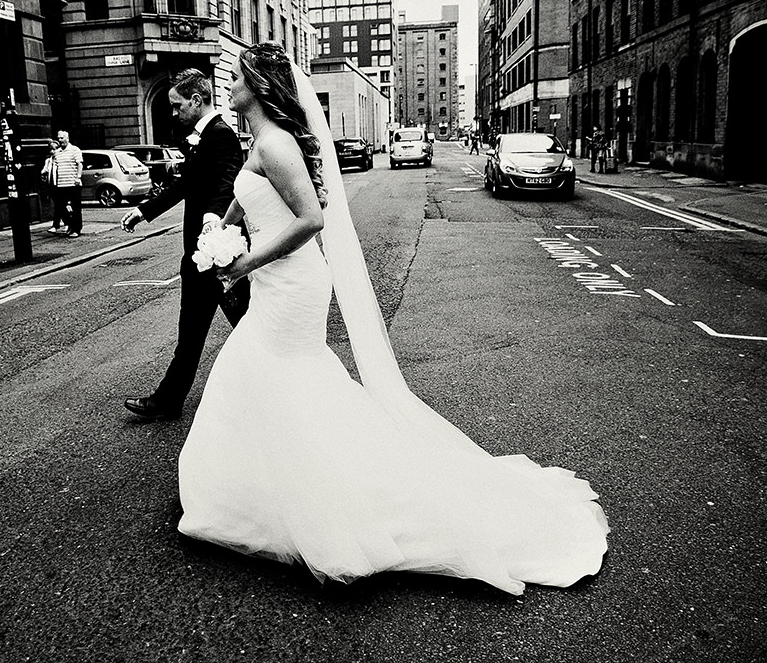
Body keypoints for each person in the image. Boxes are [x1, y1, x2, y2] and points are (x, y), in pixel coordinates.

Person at [174, 43, 609, 595]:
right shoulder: (261, 141)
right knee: (270, 376)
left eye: (234, 78)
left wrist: (242, 263)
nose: (227, 87)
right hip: (277, 282)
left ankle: (324, 499)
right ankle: (255, 490)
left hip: (291, 283)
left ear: (258, 86)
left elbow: (309, 218)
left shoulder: (278, 143)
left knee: (276, 373)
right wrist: (223, 226)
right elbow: (253, 198)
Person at [121, 68, 251, 420]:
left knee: (251, 326)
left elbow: (229, 181)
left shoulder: (220, 135)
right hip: (199, 256)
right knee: (192, 334)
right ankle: (168, 401)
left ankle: (281, 389)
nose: (174, 113)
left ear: (196, 100)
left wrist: (213, 220)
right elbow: (183, 186)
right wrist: (142, 210)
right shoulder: (200, 137)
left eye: (177, 106)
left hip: (220, 252)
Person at [52, 130, 83, 236]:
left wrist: (78, 177)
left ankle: (76, 229)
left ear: (67, 138)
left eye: (62, 138)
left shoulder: (75, 150)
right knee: (61, 206)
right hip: (61, 184)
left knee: (75, 208)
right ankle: (69, 225)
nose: (60, 140)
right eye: (59, 138)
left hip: (73, 183)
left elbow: (80, 164)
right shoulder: (57, 152)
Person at [41, 139, 64, 234]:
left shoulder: (62, 160)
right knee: (58, 205)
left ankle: (57, 225)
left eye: (54, 149)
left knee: (61, 205)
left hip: (61, 184)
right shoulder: (49, 161)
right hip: (52, 185)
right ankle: (61, 224)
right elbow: (44, 171)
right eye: (51, 149)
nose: (52, 152)